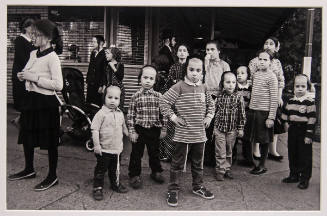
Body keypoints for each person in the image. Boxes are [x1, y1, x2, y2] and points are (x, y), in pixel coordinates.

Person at [9, 19, 63, 191]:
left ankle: (52, 176)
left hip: (46, 103)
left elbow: (58, 85)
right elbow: (29, 72)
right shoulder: (33, 53)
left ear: (47, 38)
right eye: (33, 34)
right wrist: (22, 75)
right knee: (27, 135)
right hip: (31, 101)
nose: (33, 38)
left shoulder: (52, 57)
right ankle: (29, 169)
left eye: (37, 35)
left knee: (50, 141)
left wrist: (35, 78)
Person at [160, 56, 215, 207]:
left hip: (199, 135)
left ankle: (198, 186)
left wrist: (209, 117)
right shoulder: (179, 86)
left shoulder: (204, 88)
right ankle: (173, 189)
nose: (194, 73)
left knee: (198, 164)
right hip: (182, 135)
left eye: (198, 70)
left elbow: (211, 105)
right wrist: (173, 117)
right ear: (186, 70)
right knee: (177, 164)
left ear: (202, 72)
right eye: (191, 69)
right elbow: (163, 102)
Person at [127, 65, 167, 189]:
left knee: (154, 152)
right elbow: (130, 115)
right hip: (140, 129)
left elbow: (164, 113)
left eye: (151, 78)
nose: (148, 81)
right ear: (140, 79)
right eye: (145, 77)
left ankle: (156, 172)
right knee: (136, 153)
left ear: (155, 80)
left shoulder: (159, 96)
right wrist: (132, 131)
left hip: (154, 129)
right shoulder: (135, 97)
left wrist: (164, 128)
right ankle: (134, 175)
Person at [249, 37, 285, 161]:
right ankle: (256, 150)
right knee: (257, 126)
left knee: (272, 125)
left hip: (273, 96)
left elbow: (280, 80)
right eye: (266, 43)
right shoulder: (255, 61)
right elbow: (253, 80)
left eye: (271, 44)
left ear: (276, 47)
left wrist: (279, 96)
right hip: (259, 97)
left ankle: (272, 150)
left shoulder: (277, 63)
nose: (268, 46)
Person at [91, 86, 129, 201]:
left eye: (116, 98)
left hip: (117, 149)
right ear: (104, 97)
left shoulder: (120, 113)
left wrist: (127, 132)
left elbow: (123, 125)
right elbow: (95, 130)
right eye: (110, 97)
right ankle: (97, 187)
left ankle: (115, 184)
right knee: (101, 170)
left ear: (120, 100)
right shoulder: (101, 114)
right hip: (104, 149)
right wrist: (96, 145)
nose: (113, 100)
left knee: (115, 169)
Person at [281, 74, 316, 189]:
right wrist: (285, 123)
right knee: (293, 152)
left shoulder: (309, 102)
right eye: (297, 86)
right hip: (293, 130)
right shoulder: (291, 101)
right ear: (293, 87)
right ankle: (294, 174)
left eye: (303, 86)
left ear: (307, 87)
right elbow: (285, 114)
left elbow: (312, 119)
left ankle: (304, 178)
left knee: (304, 155)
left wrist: (309, 135)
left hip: (304, 130)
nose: (300, 89)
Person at [248, 50, 278, 175]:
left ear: (270, 63)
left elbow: (274, 98)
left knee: (264, 139)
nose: (262, 62)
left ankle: (262, 164)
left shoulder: (272, 76)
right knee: (252, 137)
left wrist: (271, 117)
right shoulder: (255, 74)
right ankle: (254, 163)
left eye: (265, 60)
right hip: (253, 110)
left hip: (264, 112)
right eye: (260, 59)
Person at [159, 43, 190, 162]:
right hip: (175, 98)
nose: (182, 52)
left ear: (188, 53)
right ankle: (168, 154)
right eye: (180, 50)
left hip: (186, 99)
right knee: (171, 126)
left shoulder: (189, 67)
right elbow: (168, 83)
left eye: (184, 50)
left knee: (184, 126)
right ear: (177, 53)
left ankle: (182, 156)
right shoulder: (173, 67)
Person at [214, 71, 246, 181]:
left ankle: (227, 168)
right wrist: (214, 127)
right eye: (227, 82)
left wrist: (240, 128)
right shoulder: (219, 97)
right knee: (220, 150)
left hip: (232, 130)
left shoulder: (238, 98)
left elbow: (242, 115)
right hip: (219, 129)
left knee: (229, 150)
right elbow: (215, 112)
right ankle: (220, 170)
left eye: (233, 82)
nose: (231, 84)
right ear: (222, 83)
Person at [203, 40, 230, 167]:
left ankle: (217, 158)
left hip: (219, 97)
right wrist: (205, 65)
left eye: (212, 49)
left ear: (218, 51)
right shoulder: (205, 64)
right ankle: (205, 157)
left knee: (218, 128)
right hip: (206, 96)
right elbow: (203, 79)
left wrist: (219, 98)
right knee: (207, 127)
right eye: (207, 50)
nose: (209, 52)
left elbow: (227, 82)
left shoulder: (224, 65)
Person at [11, 17, 36, 126]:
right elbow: (22, 58)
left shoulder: (31, 40)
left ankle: (20, 120)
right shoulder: (20, 40)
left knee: (29, 98)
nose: (33, 29)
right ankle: (21, 122)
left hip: (28, 73)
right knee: (23, 97)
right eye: (32, 27)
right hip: (20, 73)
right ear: (25, 28)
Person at [234, 66, 254, 167]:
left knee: (247, 137)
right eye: (238, 73)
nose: (239, 75)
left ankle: (248, 159)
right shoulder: (234, 87)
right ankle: (232, 157)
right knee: (234, 136)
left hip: (246, 114)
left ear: (248, 75)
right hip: (235, 114)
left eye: (242, 73)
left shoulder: (251, 88)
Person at [102, 47, 125, 111]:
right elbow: (105, 77)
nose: (106, 55)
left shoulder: (120, 65)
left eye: (108, 53)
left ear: (114, 55)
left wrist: (113, 67)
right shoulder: (107, 65)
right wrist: (104, 86)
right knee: (107, 106)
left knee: (118, 107)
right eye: (106, 53)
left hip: (118, 88)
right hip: (109, 88)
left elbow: (120, 77)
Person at [86, 35, 106, 106]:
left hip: (98, 83)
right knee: (89, 102)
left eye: (94, 42)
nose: (92, 44)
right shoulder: (93, 53)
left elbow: (104, 71)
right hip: (91, 82)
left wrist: (102, 85)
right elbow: (90, 67)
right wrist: (87, 81)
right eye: (92, 42)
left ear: (100, 43)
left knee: (97, 103)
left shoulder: (104, 54)